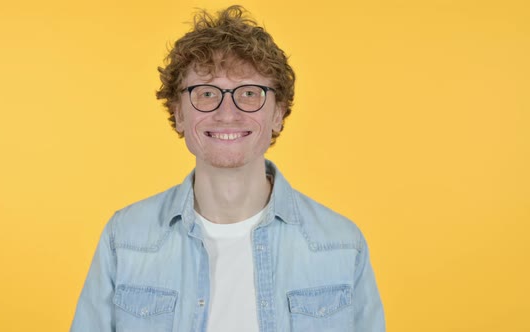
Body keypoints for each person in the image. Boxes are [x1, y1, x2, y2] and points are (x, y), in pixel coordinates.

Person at [71, 5, 385, 332]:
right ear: (178, 114)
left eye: (249, 93)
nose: (227, 113)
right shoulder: (124, 237)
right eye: (206, 93)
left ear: (278, 113)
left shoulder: (341, 243)